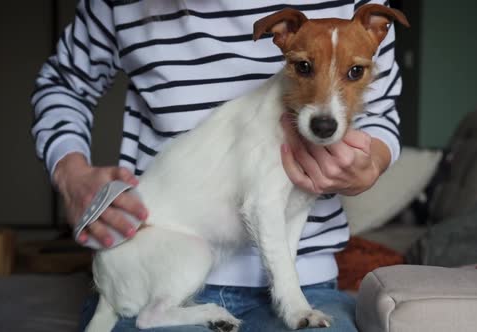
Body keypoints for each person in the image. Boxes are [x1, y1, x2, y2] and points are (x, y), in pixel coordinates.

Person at [30, 1, 403, 331]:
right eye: (304, 67)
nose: (326, 105)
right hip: (153, 257)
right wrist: (70, 173)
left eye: (354, 73)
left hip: (310, 276)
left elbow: (383, 113)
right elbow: (63, 83)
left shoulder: (361, 23)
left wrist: (372, 161)